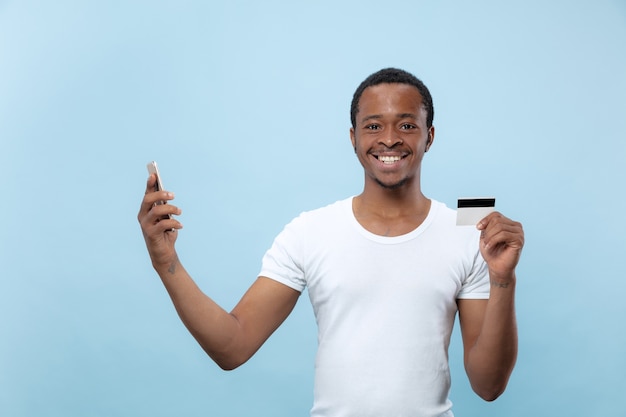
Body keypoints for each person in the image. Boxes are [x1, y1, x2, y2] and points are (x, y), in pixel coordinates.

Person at [138, 68, 524, 417]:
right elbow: (232, 346)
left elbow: (488, 387)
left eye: (407, 125)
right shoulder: (310, 232)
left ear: (429, 136)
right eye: (373, 126)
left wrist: (503, 280)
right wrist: (166, 263)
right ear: (353, 137)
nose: (389, 139)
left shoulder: (466, 236)